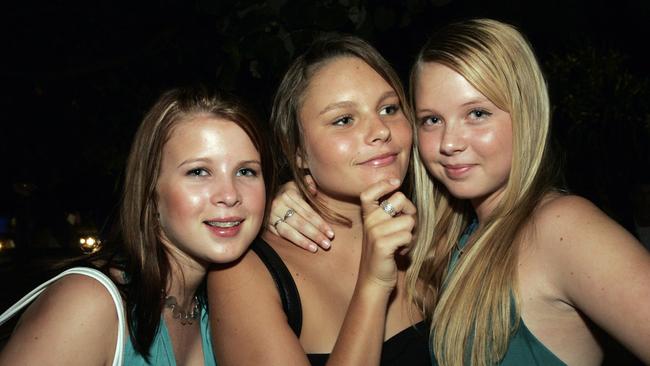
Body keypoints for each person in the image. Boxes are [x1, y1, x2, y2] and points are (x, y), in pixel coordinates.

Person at [270, 19, 650, 366]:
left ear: (527, 112)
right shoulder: (451, 238)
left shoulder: (563, 227)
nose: (450, 142)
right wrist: (288, 195)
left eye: (477, 114)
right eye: (432, 119)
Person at [0, 87, 274, 365]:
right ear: (151, 192)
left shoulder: (222, 307)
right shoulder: (89, 305)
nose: (229, 195)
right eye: (199, 171)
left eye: (246, 171)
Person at [207, 35, 430, 365]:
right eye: (344, 119)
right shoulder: (245, 273)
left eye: (389, 108)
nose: (381, 130)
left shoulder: (442, 231)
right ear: (297, 150)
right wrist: (373, 285)